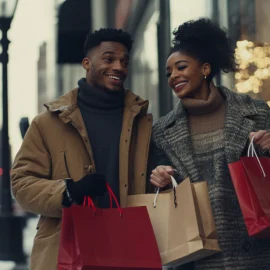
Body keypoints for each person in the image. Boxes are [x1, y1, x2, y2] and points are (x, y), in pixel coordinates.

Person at [11, 28, 152, 270]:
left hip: (127, 251)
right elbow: (21, 183)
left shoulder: (142, 122)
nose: (118, 67)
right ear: (87, 63)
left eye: (124, 61)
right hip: (66, 252)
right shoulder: (48, 123)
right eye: (109, 59)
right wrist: (68, 191)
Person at [150, 18, 270, 269]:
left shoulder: (255, 112)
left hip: (257, 251)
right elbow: (158, 195)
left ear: (205, 69)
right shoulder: (161, 132)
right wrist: (158, 179)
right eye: (169, 72)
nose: (173, 76)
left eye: (181, 67)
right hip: (199, 256)